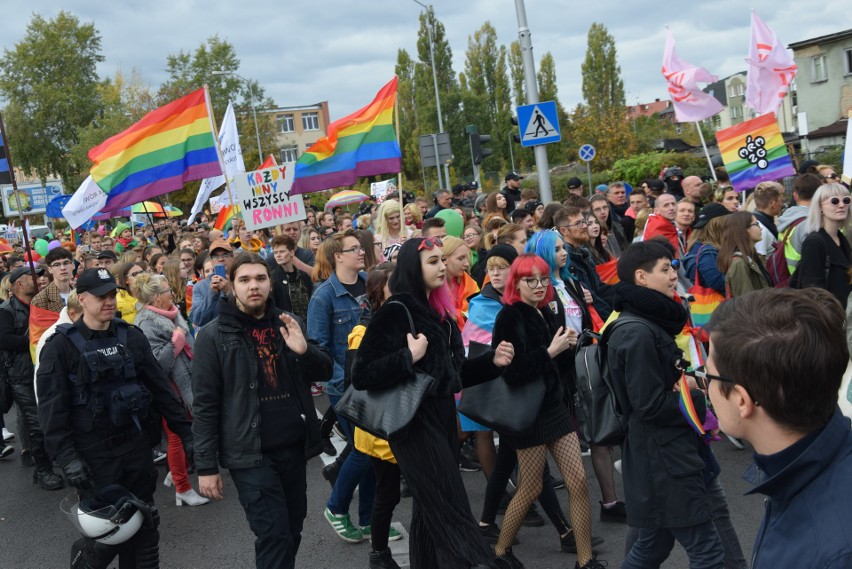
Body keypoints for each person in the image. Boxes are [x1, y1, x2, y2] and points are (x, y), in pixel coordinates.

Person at [351, 237, 514, 569]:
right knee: (449, 504)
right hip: (413, 422)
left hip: (441, 417)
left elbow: (452, 375)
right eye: (433, 261)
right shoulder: (395, 312)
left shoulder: (442, 314)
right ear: (414, 267)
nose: (442, 266)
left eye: (442, 260)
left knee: (429, 511)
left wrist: (491, 362)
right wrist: (407, 357)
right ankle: (484, 562)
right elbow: (362, 374)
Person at [37, 268, 194, 568]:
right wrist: (67, 458)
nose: (109, 301)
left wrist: (186, 433)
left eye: (112, 295)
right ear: (81, 298)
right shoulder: (59, 346)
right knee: (109, 533)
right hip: (94, 457)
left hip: (135, 448)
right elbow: (52, 411)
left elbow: (160, 389)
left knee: (145, 530)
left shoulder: (130, 336)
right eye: (100, 296)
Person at [193, 253, 332, 569]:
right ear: (232, 285)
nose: (253, 286)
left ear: (270, 282)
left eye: (260, 278)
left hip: (293, 448)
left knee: (292, 530)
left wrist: (305, 351)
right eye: (244, 280)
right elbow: (204, 404)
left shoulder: (287, 321)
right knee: (274, 535)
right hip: (249, 453)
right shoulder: (213, 336)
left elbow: (324, 371)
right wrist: (206, 466)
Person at [705, 288, 852, 568]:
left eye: (708, 374)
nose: (704, 385)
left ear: (741, 400)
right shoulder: (807, 466)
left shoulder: (830, 551)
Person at [607, 241, 724, 569]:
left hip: (662, 457)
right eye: (666, 269)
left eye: (673, 267)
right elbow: (649, 405)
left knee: (651, 549)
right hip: (664, 460)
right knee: (708, 553)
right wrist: (697, 395)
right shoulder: (636, 332)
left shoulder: (645, 322)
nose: (675, 275)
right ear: (641, 278)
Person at [490, 254, 603, 569]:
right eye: (531, 280)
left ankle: (586, 560)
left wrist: (569, 347)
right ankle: (500, 551)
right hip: (527, 414)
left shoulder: (548, 311)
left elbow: (559, 366)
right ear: (517, 283)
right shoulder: (509, 317)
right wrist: (550, 351)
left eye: (543, 279)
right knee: (531, 486)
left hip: (553, 407)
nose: (539, 286)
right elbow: (510, 373)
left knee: (578, 481)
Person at [306, 231, 375, 543]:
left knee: (373, 452)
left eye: (361, 247)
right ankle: (336, 507)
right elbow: (317, 349)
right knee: (364, 449)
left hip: (373, 380)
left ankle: (371, 520)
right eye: (354, 249)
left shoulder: (370, 283)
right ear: (338, 256)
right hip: (343, 386)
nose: (361, 252)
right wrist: (342, 380)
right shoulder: (323, 296)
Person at [131, 272, 206, 508]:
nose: (171, 294)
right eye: (167, 291)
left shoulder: (172, 314)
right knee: (176, 437)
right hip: (167, 390)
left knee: (189, 432)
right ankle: (182, 488)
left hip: (187, 386)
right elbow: (157, 363)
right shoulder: (145, 322)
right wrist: (177, 340)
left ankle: (176, 472)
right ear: (155, 298)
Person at [0, 265, 63, 488]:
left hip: (44, 370)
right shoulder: (6, 310)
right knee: (37, 422)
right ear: (19, 283)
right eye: (32, 277)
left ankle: (50, 461)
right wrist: (37, 337)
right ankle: (43, 470)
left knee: (52, 416)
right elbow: (5, 340)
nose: (38, 280)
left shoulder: (42, 304)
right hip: (21, 375)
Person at [792, 183, 852, 308]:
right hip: (828, 318)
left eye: (846, 200)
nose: (842, 205)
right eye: (834, 201)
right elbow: (813, 292)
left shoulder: (842, 239)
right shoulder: (814, 242)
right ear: (820, 207)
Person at [718, 212, 771, 297]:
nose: (760, 228)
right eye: (756, 224)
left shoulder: (753, 257)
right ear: (744, 230)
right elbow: (746, 303)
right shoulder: (739, 264)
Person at [682, 204, 731, 296]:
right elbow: (718, 283)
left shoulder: (699, 247)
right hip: (716, 305)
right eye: (727, 222)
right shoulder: (707, 252)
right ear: (717, 225)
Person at [776, 173, 821, 274]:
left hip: (790, 278)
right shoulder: (813, 223)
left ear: (795, 196)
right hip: (806, 279)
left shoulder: (785, 219)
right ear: (820, 195)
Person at [189, 240, 234, 328]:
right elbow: (198, 320)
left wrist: (229, 291)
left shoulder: (242, 279)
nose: (221, 259)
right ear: (211, 261)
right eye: (215, 256)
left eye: (225, 255)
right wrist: (212, 294)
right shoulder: (200, 287)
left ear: (232, 257)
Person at [269, 235, 313, 322]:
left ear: (291, 252)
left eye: (281, 252)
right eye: (275, 252)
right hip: (287, 326)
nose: (278, 255)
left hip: (309, 325)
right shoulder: (272, 279)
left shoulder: (304, 276)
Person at [441, 236, 479, 330]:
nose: (467, 263)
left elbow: (479, 315)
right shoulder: (431, 287)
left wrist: (454, 315)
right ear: (444, 259)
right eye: (461, 258)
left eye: (467, 258)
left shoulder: (471, 284)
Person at [751, 181, 784, 257]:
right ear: (773, 204)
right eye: (781, 200)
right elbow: (761, 260)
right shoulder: (762, 231)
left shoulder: (758, 222)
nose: (782, 204)